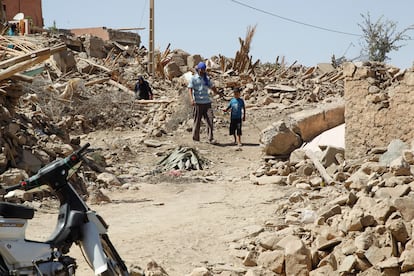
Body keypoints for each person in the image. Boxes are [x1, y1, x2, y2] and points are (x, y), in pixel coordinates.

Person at [188, 61, 219, 144]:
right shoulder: (194, 78)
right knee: (197, 121)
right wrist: (191, 99)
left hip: (207, 102)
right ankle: (196, 138)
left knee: (210, 119)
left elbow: (212, 86)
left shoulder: (207, 78)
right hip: (198, 102)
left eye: (204, 70)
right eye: (201, 69)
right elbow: (190, 89)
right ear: (198, 69)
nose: (202, 71)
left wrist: (216, 91)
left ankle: (210, 138)